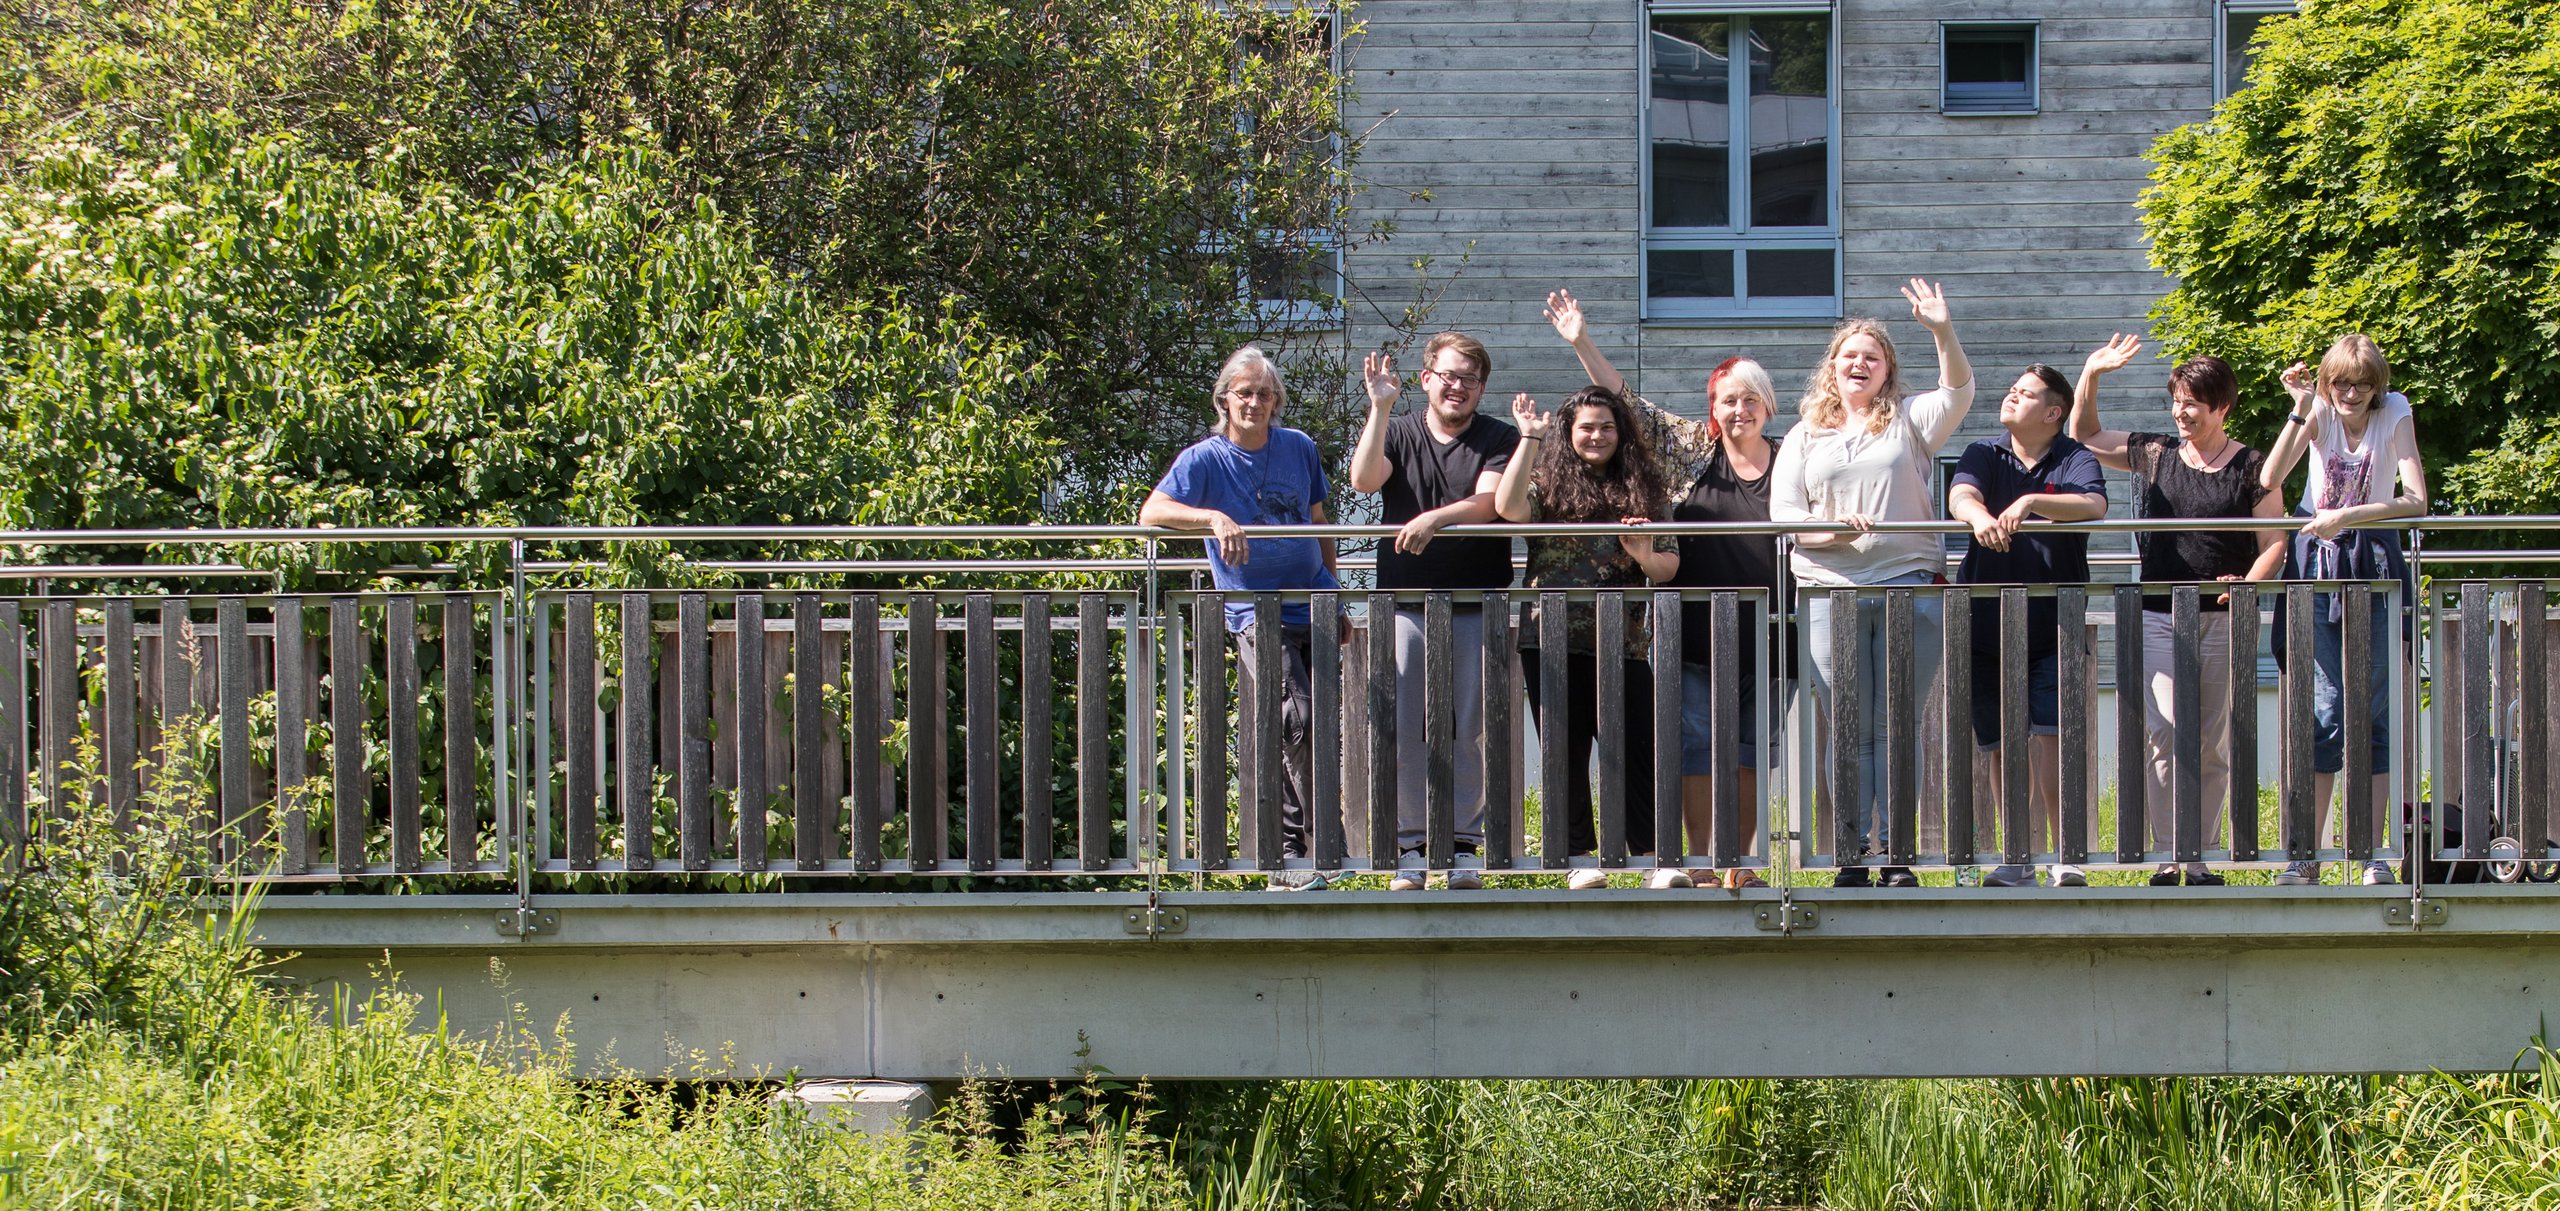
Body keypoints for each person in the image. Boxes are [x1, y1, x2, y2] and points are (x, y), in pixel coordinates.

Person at [1544, 288, 1782, 890]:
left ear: (1768, 406)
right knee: (1698, 749)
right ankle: (1703, 862)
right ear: (1713, 409)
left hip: (1772, 626)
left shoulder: (1794, 457)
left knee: (1750, 752)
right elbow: (1628, 404)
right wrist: (1581, 342)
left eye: (1750, 399)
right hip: (1692, 628)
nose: (1738, 411)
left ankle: (1741, 863)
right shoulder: (1692, 450)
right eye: (1727, 400)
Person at [1770, 281, 1974, 889]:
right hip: (1829, 587)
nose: (1859, 364)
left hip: (1907, 583)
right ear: (1832, 368)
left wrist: (1941, 329)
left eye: (1872, 357)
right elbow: (1784, 514)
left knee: (1897, 726)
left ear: (1887, 371)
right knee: (1849, 724)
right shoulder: (1806, 433)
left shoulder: (1911, 421)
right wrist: (1832, 530)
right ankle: (1853, 855)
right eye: (1849, 355)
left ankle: (1899, 855)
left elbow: (1959, 391)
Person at [2071, 338, 2287, 887]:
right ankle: (2169, 853)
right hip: (2156, 612)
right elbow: (2085, 435)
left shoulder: (2252, 466)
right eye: (2177, 400)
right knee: (2167, 732)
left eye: (2193, 402)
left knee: (2211, 738)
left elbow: (2274, 543)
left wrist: (2249, 587)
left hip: (2220, 617)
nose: (2181, 411)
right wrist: (2092, 373)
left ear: (2222, 407)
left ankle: (2201, 855)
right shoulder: (2156, 452)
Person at [1139, 346, 1341, 890]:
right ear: (1225, 399)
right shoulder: (1204, 459)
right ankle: (1302, 856)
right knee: (1296, 720)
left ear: (1276, 401)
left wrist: (1336, 594)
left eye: (1264, 393)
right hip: (1258, 611)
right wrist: (1211, 515)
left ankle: (1296, 858)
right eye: (1244, 392)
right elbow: (1152, 512)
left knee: (1314, 722)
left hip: (1316, 604)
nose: (1255, 401)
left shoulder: (1297, 446)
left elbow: (1320, 523)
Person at [1347, 333, 1521, 892]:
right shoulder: (1396, 429)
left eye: (1469, 379)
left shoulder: (1499, 434)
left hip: (1477, 603)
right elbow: (1363, 479)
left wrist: (1433, 519)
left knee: (1468, 728)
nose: (1458, 387)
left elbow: (1491, 504)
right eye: (1448, 375)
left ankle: (1463, 848)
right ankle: (1408, 851)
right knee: (1402, 728)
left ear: (1481, 387)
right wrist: (1379, 407)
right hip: (1405, 603)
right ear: (1426, 379)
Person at [1492, 385, 1684, 889]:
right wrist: (1528, 439)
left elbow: (1667, 567)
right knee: (1565, 750)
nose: (1596, 435)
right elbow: (1508, 507)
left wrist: (1641, 553)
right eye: (1586, 427)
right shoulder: (1547, 479)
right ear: (1569, 432)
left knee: (1637, 746)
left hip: (1622, 640)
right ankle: (1578, 857)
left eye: (1606, 426)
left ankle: (1652, 856)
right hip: (1549, 639)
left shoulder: (1645, 485)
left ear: (1620, 432)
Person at [2259, 334, 2428, 887]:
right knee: (2324, 711)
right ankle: (2305, 853)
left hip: (2373, 565)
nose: (2351, 393)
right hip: (2317, 567)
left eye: (2363, 383)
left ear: (2378, 385)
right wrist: (2300, 408)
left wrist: (2348, 516)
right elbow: (2271, 477)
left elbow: (2415, 499)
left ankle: (2370, 852)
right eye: (2341, 383)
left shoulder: (2394, 410)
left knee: (2372, 712)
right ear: (2328, 384)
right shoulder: (2321, 411)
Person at [1947, 361, 2109, 889]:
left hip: (2052, 626)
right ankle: (2017, 857)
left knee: (2053, 738)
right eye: (2012, 388)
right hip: (1983, 623)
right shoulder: (1983, 452)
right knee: (1997, 744)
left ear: (2054, 412)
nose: (2012, 397)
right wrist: (1979, 517)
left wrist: (2032, 501)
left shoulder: (2074, 456)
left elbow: (2094, 505)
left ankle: (2067, 856)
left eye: (2026, 393)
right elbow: (1961, 495)